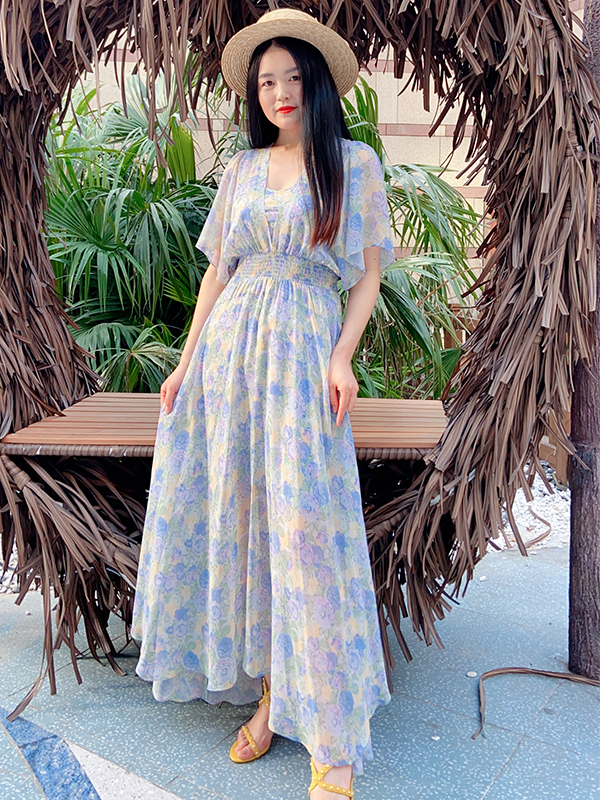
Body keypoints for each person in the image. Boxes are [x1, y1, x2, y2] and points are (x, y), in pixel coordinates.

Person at [131, 9, 396, 798]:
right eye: (266, 81)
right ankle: (272, 698)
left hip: (304, 350)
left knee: (307, 530)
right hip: (229, 358)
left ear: (317, 84)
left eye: (292, 78)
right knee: (245, 519)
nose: (279, 92)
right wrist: (185, 365)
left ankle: (333, 734)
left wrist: (342, 356)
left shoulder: (354, 164)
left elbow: (368, 275)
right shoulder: (244, 169)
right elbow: (218, 271)